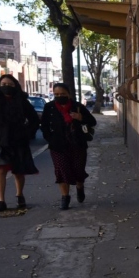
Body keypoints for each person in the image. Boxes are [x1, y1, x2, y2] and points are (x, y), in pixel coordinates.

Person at [0, 75, 40, 210]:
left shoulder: (22, 102)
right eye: (3, 84)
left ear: (15, 86)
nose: (6, 87)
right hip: (0, 141)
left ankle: (20, 195)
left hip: (19, 141)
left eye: (10, 84)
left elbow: (34, 119)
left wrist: (27, 133)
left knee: (19, 171)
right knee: (0, 169)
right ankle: (0, 201)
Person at [40, 82, 96, 210]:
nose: (59, 96)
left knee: (78, 170)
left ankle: (80, 187)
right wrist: (50, 138)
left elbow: (92, 121)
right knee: (61, 170)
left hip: (77, 145)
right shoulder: (49, 107)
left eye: (62, 94)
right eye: (56, 94)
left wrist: (80, 117)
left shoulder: (77, 106)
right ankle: (65, 197)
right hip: (58, 146)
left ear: (69, 94)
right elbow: (44, 125)